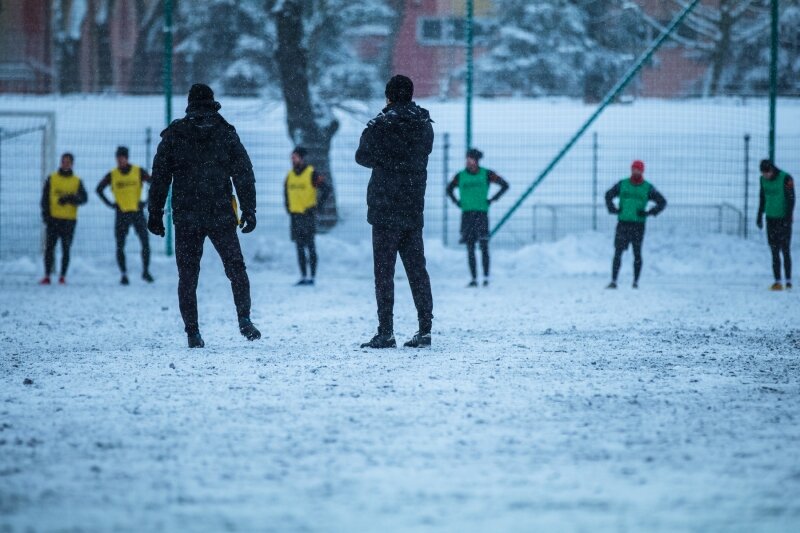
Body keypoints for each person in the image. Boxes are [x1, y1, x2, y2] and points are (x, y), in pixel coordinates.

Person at [148, 83, 261, 348]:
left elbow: (160, 177)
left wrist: (155, 212)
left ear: (189, 103)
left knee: (188, 276)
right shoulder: (225, 132)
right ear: (213, 102)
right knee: (236, 268)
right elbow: (243, 173)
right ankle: (244, 319)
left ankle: (193, 332)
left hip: (187, 215)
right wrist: (249, 209)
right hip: (220, 212)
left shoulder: (175, 134)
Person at [356, 74, 434, 349]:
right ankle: (425, 328)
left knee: (384, 273)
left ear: (388, 96)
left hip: (384, 208)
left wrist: (386, 160)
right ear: (411, 94)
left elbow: (361, 155)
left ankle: (386, 331)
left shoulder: (381, 124)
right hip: (412, 206)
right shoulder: (424, 124)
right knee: (417, 270)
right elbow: (424, 151)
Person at [446, 148, 509, 287]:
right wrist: (457, 202)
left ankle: (486, 278)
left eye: (471, 159)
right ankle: (474, 279)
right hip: (467, 215)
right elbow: (449, 189)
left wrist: (492, 199)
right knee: (470, 247)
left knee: (484, 245)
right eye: (467, 158)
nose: (468, 161)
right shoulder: (460, 176)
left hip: (481, 214)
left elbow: (505, 185)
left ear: (477, 160)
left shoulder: (487, 174)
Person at [604, 160, 667, 289]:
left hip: (638, 225)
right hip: (623, 223)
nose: (636, 171)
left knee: (637, 253)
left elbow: (662, 202)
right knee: (618, 252)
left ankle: (635, 282)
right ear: (631, 169)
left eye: (638, 169)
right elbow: (608, 195)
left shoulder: (647, 187)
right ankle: (614, 281)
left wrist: (649, 212)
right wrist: (612, 209)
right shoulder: (623, 184)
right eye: (634, 169)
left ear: (642, 171)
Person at [96, 146, 154, 285]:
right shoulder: (112, 174)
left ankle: (146, 272)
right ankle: (123, 274)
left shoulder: (138, 171)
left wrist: (146, 201)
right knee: (120, 245)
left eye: (122, 157)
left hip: (137, 212)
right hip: (121, 214)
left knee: (145, 243)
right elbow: (99, 189)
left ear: (127, 158)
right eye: (118, 158)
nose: (120, 160)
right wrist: (111, 204)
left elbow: (154, 184)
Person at [284, 146, 331, 286]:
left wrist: (318, 206)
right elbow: (286, 194)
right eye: (292, 157)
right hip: (295, 216)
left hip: (308, 216)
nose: (293, 159)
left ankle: (312, 276)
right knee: (299, 247)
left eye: (295, 157)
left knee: (310, 246)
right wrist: (289, 208)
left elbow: (326, 189)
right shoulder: (290, 176)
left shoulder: (311, 173)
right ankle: (303, 276)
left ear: (302, 158)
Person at [39, 153, 88, 285]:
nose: (65, 164)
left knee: (66, 249)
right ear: (61, 163)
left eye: (68, 162)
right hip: (53, 219)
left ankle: (62, 276)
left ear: (72, 164)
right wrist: (45, 215)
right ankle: (47, 275)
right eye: (63, 161)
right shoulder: (52, 178)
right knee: (49, 248)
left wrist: (71, 198)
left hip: (69, 220)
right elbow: (44, 199)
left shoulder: (77, 181)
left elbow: (84, 198)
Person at [757, 159, 795, 290]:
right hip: (771, 219)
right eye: (763, 173)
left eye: (767, 172)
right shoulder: (762, 180)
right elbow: (762, 198)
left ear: (772, 170)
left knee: (785, 250)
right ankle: (777, 282)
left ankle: (788, 281)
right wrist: (759, 215)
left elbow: (791, 199)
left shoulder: (786, 178)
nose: (766, 175)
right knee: (774, 251)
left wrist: (788, 218)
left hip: (783, 220)